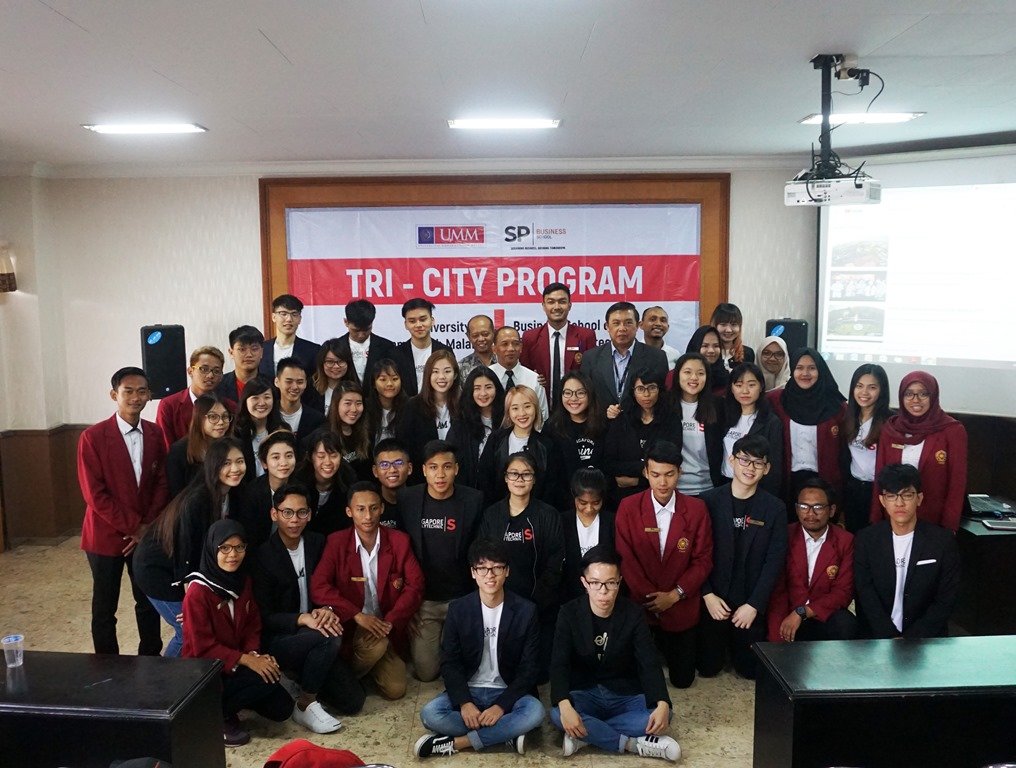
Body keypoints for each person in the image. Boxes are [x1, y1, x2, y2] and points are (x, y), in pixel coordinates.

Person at [415, 539, 545, 758]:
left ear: (507, 571)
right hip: (471, 688)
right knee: (430, 714)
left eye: (496, 568)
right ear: (473, 573)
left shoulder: (526, 611)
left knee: (536, 713)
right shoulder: (458, 609)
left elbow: (529, 668)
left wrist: (501, 707)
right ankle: (507, 734)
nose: (490, 575)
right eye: (483, 569)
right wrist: (465, 702)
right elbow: (450, 662)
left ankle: (459, 742)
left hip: (507, 690)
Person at [550, 546, 681, 762]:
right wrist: (564, 705)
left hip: (623, 693)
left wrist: (662, 702)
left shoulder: (633, 614)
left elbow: (648, 662)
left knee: (664, 714)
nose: (603, 591)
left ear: (619, 581)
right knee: (557, 714)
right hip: (585, 692)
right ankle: (631, 744)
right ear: (584, 583)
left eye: (611, 583)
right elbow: (559, 663)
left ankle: (587, 735)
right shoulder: (568, 613)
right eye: (595, 583)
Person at [78, 366, 168, 656]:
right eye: (128, 391)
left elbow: (161, 483)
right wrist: (134, 527)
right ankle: (107, 665)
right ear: (114, 395)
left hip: (145, 535)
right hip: (105, 537)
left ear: (149, 395)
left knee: (147, 600)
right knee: (105, 605)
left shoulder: (154, 433)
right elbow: (95, 494)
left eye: (142, 391)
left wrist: (147, 528)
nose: (135, 397)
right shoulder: (93, 437)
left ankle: (151, 657)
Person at [181, 519, 294, 748]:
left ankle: (235, 700)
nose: (233, 555)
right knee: (263, 681)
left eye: (239, 547)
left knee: (283, 707)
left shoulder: (243, 581)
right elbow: (203, 648)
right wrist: (248, 661)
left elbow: (253, 625)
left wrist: (255, 653)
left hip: (236, 662)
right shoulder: (198, 592)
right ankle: (216, 714)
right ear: (213, 549)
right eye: (225, 548)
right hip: (206, 672)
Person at [251, 482, 353, 731]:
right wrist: (301, 619)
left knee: (353, 702)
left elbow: (331, 586)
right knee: (328, 636)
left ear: (309, 514)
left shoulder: (319, 543)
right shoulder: (262, 555)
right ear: (274, 514)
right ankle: (306, 703)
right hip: (280, 638)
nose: (294, 520)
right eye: (287, 512)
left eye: (301, 513)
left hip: (313, 630)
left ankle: (302, 678)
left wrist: (327, 609)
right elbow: (263, 616)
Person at [311, 481, 426, 701]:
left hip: (385, 626)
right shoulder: (336, 542)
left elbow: (415, 584)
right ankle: (347, 676)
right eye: (360, 509)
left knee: (396, 690)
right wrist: (356, 615)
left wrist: (390, 621)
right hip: (351, 626)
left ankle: (359, 671)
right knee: (376, 646)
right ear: (349, 511)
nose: (368, 516)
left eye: (374, 508)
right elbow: (319, 586)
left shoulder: (399, 541)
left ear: (382, 508)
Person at [134, 437, 248, 658]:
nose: (235, 469)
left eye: (240, 461)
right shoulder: (197, 501)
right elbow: (188, 557)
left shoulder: (235, 494)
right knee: (187, 630)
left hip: (184, 568)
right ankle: (165, 687)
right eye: (226, 463)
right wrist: (191, 604)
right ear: (213, 466)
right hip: (158, 570)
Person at [615, 440, 713, 689]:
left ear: (680, 473)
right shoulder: (628, 507)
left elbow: (703, 560)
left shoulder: (697, 509)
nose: (662, 482)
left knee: (683, 681)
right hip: (641, 604)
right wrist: (651, 599)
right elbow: (625, 558)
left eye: (669, 474)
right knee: (637, 680)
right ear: (646, 472)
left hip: (680, 603)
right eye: (655, 474)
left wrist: (675, 595)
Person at [698, 435, 787, 679]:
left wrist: (754, 605)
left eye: (758, 463)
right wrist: (707, 595)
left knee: (750, 672)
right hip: (714, 599)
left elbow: (774, 560)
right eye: (744, 460)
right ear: (731, 460)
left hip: (749, 601)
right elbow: (697, 555)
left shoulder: (775, 508)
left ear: (767, 469)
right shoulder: (707, 502)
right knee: (708, 668)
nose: (750, 468)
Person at [398, 440, 485, 682]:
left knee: (460, 668)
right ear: (423, 470)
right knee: (426, 673)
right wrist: (409, 604)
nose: (440, 474)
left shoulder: (473, 499)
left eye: (447, 467)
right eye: (433, 467)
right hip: (425, 601)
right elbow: (399, 553)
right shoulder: (407, 499)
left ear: (456, 469)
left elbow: (478, 551)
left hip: (461, 598)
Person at [479, 452, 565, 682]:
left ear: (535, 479)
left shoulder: (548, 515)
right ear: (505, 478)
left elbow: (556, 561)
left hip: (539, 604)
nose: (519, 479)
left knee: (539, 676)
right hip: (498, 600)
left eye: (526, 474)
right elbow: (482, 556)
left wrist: (535, 601)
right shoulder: (491, 514)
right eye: (514, 474)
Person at [854, 463, 961, 639]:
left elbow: (946, 598)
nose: (899, 503)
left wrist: (912, 638)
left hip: (926, 638)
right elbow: (865, 592)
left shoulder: (942, 541)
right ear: (882, 500)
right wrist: (888, 635)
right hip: (877, 636)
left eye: (907, 495)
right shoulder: (866, 539)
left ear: (919, 498)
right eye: (892, 496)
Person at [872, 371, 968, 532]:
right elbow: (880, 477)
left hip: (933, 520)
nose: (915, 400)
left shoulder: (952, 430)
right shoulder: (891, 429)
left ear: (933, 395)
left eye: (923, 394)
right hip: (893, 518)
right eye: (909, 394)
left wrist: (949, 525)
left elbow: (957, 483)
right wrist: (876, 518)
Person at [766, 477, 857, 642]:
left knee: (845, 623)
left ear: (831, 510)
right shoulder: (784, 535)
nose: (810, 513)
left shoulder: (845, 541)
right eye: (804, 507)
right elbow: (777, 589)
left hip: (823, 614)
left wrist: (804, 612)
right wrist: (777, 639)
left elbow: (843, 592)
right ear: (796, 508)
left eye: (818, 507)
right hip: (787, 612)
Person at [768, 347, 846, 509]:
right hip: (788, 480)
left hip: (825, 480)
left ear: (821, 370)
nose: (805, 373)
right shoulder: (777, 401)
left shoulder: (837, 407)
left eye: (812, 368)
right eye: (799, 368)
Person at [478, 384, 566, 509]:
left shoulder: (548, 445)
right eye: (515, 408)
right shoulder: (496, 440)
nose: (522, 413)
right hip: (499, 512)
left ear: (536, 409)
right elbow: (485, 478)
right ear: (508, 412)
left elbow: (552, 487)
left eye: (527, 406)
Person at [604, 367, 681, 507]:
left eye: (651, 388)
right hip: (622, 498)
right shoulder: (621, 420)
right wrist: (646, 470)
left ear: (660, 390)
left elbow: (671, 462)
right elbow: (609, 464)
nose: (646, 394)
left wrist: (636, 480)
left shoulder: (671, 421)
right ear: (632, 392)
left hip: (660, 496)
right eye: (640, 389)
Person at [581, 302, 668, 415]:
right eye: (616, 323)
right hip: (602, 427)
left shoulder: (657, 357)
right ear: (607, 326)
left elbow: (661, 398)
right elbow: (586, 395)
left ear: (637, 325)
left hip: (641, 427)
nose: (622, 328)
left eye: (628, 323)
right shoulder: (591, 357)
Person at [712, 363, 783, 497]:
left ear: (761, 387)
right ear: (731, 388)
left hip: (755, 489)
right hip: (723, 484)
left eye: (751, 385)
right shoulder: (722, 416)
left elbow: (775, 468)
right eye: (738, 385)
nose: (745, 391)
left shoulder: (771, 422)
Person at [520, 282, 597, 401]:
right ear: (543, 305)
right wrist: (534, 378)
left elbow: (592, 375)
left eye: (562, 301)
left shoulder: (586, 336)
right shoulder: (530, 337)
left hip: (575, 405)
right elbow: (524, 373)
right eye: (551, 302)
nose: (557, 307)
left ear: (570, 305)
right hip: (541, 405)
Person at [397, 350, 462, 480]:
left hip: (458, 477)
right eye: (435, 372)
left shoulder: (464, 406)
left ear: (455, 375)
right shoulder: (413, 406)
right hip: (422, 479)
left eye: (447, 371)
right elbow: (405, 447)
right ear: (428, 375)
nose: (441, 377)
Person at [841, 363, 891, 533]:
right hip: (854, 489)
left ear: (881, 391)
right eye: (859, 386)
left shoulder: (890, 422)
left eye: (872, 387)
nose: (864, 393)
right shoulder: (848, 417)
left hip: (878, 490)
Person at [235, 429, 299, 550]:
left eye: (289, 456)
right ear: (264, 463)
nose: (283, 462)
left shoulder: (301, 488)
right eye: (276, 457)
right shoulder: (251, 493)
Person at [156, 346, 228, 449]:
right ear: (190, 371)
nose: (210, 375)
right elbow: (165, 447)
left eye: (216, 371)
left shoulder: (229, 406)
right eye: (204, 369)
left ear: (221, 377)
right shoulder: (169, 405)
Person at [561, 468, 615, 601]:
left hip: (604, 594)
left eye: (596, 503)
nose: (589, 508)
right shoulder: (562, 522)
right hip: (569, 594)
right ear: (574, 497)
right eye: (583, 503)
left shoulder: (612, 522)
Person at [447, 367, 505, 489]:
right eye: (477, 388)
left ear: (497, 389)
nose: (483, 393)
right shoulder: (460, 424)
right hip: (469, 491)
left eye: (488, 387)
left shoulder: (507, 420)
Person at [165, 393, 233, 498]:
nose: (221, 422)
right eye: (213, 417)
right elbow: (176, 494)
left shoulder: (232, 446)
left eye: (225, 416)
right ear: (199, 418)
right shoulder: (179, 452)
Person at [672, 352, 721, 497]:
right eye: (687, 372)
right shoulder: (665, 405)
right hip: (673, 487)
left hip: (709, 487)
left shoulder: (718, 406)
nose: (694, 378)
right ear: (677, 375)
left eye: (700, 373)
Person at [545, 370, 607, 480]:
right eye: (568, 393)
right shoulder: (551, 427)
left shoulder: (604, 425)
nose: (573, 398)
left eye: (580, 393)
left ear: (590, 394)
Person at [297, 428, 358, 537]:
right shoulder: (298, 478)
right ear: (310, 457)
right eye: (321, 456)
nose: (328, 462)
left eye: (334, 456)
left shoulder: (349, 478)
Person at [258, 294, 321, 397]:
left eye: (294, 314)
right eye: (283, 314)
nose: (289, 319)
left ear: (300, 319)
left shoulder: (313, 350)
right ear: (274, 317)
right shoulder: (262, 349)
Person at [390, 298, 451, 396]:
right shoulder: (396, 355)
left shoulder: (444, 351)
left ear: (432, 320)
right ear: (406, 325)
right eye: (412, 321)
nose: (418, 325)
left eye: (423, 319)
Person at [489, 326, 550, 420]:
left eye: (515, 344)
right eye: (505, 344)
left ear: (521, 348)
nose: (511, 349)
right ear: (494, 349)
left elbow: (543, 415)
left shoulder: (534, 379)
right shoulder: (486, 376)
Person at [233, 377, 286, 481]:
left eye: (267, 397)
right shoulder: (235, 433)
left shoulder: (282, 430)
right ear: (245, 401)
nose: (262, 403)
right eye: (255, 398)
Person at [341, 298, 395, 383]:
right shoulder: (336, 347)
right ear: (346, 322)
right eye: (356, 330)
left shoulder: (386, 346)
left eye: (366, 330)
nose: (361, 335)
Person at [275, 356, 326, 447]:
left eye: (300, 382)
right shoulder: (268, 415)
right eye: (289, 381)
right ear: (277, 382)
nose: (295, 387)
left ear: (306, 383)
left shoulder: (317, 419)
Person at [327, 380, 372, 480]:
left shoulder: (366, 434)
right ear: (336, 405)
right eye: (347, 403)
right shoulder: (324, 436)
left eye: (358, 403)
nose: (354, 409)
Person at [308, 338, 359, 416]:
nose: (336, 366)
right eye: (330, 362)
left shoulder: (355, 388)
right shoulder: (310, 387)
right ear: (321, 363)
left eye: (341, 361)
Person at [372, 438, 413, 531]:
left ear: (409, 468)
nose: (392, 470)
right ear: (375, 471)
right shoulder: (370, 505)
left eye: (398, 463)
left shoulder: (421, 500)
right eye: (384, 464)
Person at [218, 325, 266, 403]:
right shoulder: (219, 385)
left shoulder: (272, 385)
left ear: (261, 352)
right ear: (231, 353)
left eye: (254, 349)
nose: (249, 354)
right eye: (242, 349)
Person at [364, 357, 408, 444]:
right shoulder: (364, 408)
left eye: (394, 379)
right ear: (374, 384)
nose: (389, 384)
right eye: (383, 379)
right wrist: (347, 458)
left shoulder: (410, 407)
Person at [682, 325, 728, 394]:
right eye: (705, 346)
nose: (711, 350)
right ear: (695, 347)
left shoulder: (726, 378)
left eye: (716, 346)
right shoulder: (678, 376)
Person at [710, 302, 755, 370]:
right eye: (723, 324)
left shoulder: (748, 353)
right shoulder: (707, 352)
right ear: (714, 325)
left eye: (734, 324)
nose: (728, 330)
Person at [639, 305, 680, 370]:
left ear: (668, 326)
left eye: (663, 320)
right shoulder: (633, 353)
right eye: (652, 319)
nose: (658, 323)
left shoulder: (675, 355)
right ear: (641, 325)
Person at [458, 314, 498, 380]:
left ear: (494, 332)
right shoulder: (461, 367)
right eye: (475, 336)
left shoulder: (503, 361)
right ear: (468, 336)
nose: (481, 339)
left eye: (485, 334)